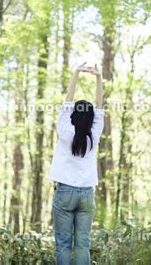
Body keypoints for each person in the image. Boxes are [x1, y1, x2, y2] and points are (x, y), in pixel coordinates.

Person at [49, 62, 104, 265]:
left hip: (64, 192)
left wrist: (76, 73)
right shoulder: (94, 136)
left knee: (63, 243)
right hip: (87, 194)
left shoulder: (64, 130)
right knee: (83, 243)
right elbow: (99, 108)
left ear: (72, 115)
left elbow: (67, 101)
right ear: (91, 119)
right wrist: (98, 77)